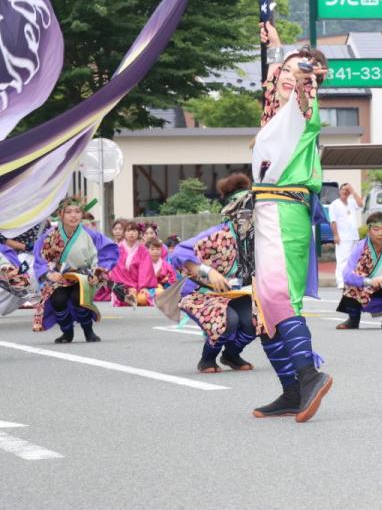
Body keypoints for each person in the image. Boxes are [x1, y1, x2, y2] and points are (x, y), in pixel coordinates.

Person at [248, 21, 332, 421]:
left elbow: (303, 87)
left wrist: (305, 72)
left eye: (291, 76)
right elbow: (276, 84)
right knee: (263, 307)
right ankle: (291, 388)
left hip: (285, 208)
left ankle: (309, 374)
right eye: (281, 73)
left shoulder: (303, 111)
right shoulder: (275, 117)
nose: (283, 78)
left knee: (279, 295)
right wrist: (278, 48)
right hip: (267, 209)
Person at [167, 173, 258, 374]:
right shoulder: (219, 234)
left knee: (257, 320)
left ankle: (231, 355)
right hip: (200, 292)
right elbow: (180, 252)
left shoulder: (256, 239)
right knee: (229, 320)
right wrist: (208, 271)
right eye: (245, 210)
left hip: (234, 292)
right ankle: (207, 358)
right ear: (232, 211)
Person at [32, 197, 118, 343]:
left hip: (84, 275)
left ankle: (88, 331)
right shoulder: (49, 236)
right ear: (61, 214)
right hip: (60, 277)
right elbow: (40, 260)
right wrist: (49, 273)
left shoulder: (90, 234)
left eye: (77, 211)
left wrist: (98, 272)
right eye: (69, 212)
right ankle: (67, 332)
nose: (74, 215)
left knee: (79, 299)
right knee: (58, 300)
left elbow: (108, 251)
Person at [108, 222, 157, 307]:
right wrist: (128, 287)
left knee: (143, 298)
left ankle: (135, 295)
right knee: (125, 296)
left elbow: (145, 270)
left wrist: (142, 287)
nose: (131, 233)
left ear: (138, 233)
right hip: (123, 286)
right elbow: (118, 271)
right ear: (124, 233)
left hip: (139, 285)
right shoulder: (117, 249)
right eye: (128, 231)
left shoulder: (143, 250)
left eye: (134, 231)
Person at [328, 182, 363, 289]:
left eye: (347, 190)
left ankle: (351, 280)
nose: (345, 192)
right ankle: (341, 281)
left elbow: (361, 204)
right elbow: (333, 221)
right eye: (343, 190)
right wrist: (336, 235)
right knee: (342, 260)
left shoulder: (352, 202)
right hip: (342, 237)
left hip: (354, 236)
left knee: (354, 259)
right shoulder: (334, 204)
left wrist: (352, 191)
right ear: (339, 191)